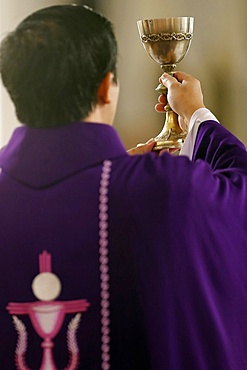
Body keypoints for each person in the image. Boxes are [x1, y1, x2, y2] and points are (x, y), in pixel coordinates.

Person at [0, 5, 247, 370]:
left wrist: (113, 171)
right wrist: (197, 116)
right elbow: (238, 195)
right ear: (105, 87)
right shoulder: (162, 192)